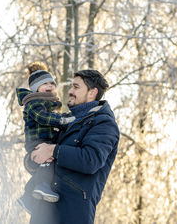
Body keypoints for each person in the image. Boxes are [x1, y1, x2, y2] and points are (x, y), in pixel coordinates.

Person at [30, 69, 120, 224]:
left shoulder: (104, 124)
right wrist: (32, 157)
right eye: (71, 86)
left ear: (92, 93)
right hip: (44, 213)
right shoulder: (68, 121)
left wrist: (53, 150)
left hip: (72, 213)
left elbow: (90, 160)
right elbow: (46, 157)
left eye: (76, 87)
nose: (70, 91)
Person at [16, 62, 75, 213]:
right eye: (45, 83)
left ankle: (28, 198)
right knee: (47, 161)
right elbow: (42, 118)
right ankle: (42, 186)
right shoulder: (33, 102)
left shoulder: (46, 104)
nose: (50, 86)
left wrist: (64, 119)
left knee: (48, 161)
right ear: (36, 87)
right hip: (37, 141)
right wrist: (61, 121)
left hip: (44, 140)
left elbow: (51, 117)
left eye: (52, 83)